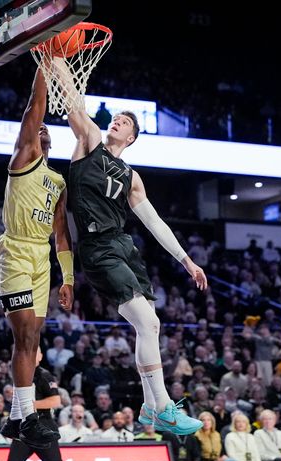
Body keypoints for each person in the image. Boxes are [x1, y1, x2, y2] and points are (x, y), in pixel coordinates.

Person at [54, 59, 206, 435]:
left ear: (133, 137)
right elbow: (74, 102)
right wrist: (56, 58)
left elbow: (154, 222)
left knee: (148, 328)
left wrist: (187, 260)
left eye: (125, 121)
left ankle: (149, 408)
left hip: (124, 247)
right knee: (148, 322)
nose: (117, 121)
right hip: (97, 248)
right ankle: (163, 406)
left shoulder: (132, 177)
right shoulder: (89, 142)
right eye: (116, 118)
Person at [0, 67, 74, 449]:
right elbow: (34, 108)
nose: (39, 130)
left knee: (33, 338)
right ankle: (27, 417)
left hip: (43, 258)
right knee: (24, 333)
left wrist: (68, 278)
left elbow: (61, 233)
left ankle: (13, 419)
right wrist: (43, 59)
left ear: (51, 141)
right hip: (15, 252)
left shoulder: (58, 182)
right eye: (35, 129)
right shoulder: (24, 158)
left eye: (44, 131)